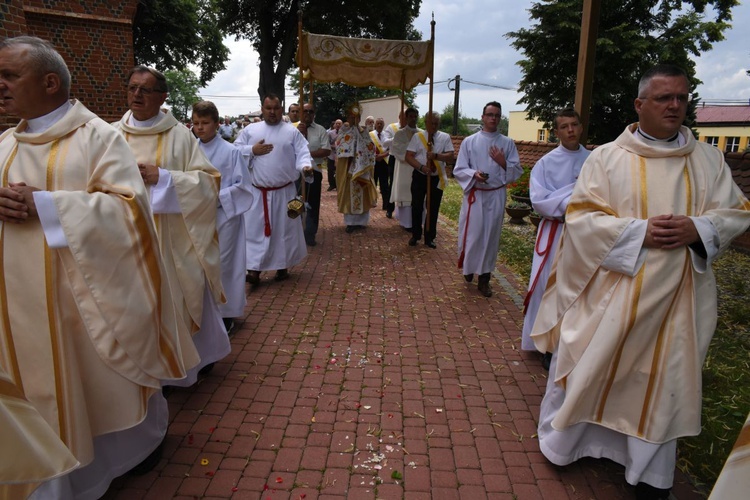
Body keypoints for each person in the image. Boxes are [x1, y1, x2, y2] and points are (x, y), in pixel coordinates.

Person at [531, 64, 750, 500]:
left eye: (682, 98)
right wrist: (636, 233)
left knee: (661, 387)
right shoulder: (608, 158)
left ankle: (649, 476)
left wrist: (699, 230)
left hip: (678, 299)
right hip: (615, 292)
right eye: (663, 97)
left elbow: (736, 213)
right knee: (594, 368)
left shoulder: (709, 159)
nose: (674, 106)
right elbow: (582, 217)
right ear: (639, 104)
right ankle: (572, 445)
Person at [0, 36, 190, 498]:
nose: (0, 85)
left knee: (98, 387)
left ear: (49, 82)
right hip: (13, 304)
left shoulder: (100, 138)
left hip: (84, 301)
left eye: (9, 75)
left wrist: (46, 205)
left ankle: (134, 451)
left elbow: (130, 213)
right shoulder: (4, 144)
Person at [113, 65, 230, 386]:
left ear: (162, 97)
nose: (137, 94)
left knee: (178, 297)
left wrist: (163, 178)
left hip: (172, 238)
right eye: (132, 87)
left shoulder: (178, 135)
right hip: (125, 235)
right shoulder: (109, 135)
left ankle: (192, 364)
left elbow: (209, 182)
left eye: (145, 90)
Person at [520, 108, 589, 368]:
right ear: (556, 132)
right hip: (556, 231)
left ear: (581, 127)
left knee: (577, 288)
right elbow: (540, 201)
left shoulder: (596, 160)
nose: (570, 130)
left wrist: (570, 200)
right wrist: (574, 199)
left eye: (574, 124)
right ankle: (545, 345)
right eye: (564, 126)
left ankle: (570, 343)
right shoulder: (546, 163)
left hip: (584, 234)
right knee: (548, 287)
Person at [234, 94, 313, 283]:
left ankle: (282, 266)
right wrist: (252, 150)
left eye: (276, 108)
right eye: (268, 108)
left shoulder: (291, 132)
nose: (272, 112)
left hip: (284, 192)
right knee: (254, 231)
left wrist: (305, 167)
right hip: (257, 192)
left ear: (281, 108)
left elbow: (302, 153)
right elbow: (234, 150)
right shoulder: (250, 131)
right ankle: (254, 270)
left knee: (283, 231)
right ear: (262, 109)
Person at [192, 101, 253, 333]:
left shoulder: (231, 152)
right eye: (196, 123)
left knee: (224, 265)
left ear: (217, 124)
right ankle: (204, 311)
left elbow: (244, 187)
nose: (200, 128)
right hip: (197, 217)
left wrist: (216, 197)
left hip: (225, 216)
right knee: (199, 265)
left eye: (205, 123)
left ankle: (227, 313)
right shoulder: (190, 150)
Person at [454, 101, 522, 297]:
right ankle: (468, 268)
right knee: (473, 235)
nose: (493, 118)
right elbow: (459, 169)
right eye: (490, 114)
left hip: (496, 195)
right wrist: (473, 174)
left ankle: (484, 278)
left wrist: (503, 162)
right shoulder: (470, 141)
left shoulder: (507, 143)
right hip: (476, 195)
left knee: (490, 237)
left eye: (497, 115)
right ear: (483, 117)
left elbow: (516, 171)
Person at [405, 111, 454, 248]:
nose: (433, 126)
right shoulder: (417, 137)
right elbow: (408, 156)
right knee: (416, 205)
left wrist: (437, 156)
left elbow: (450, 156)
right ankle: (415, 234)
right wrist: (421, 167)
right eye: (431, 123)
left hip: (436, 177)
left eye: (436, 123)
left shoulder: (445, 137)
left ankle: (430, 236)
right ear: (425, 122)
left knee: (433, 208)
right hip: (420, 176)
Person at [335, 105, 377, 233]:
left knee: (362, 193)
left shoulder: (364, 131)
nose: (353, 119)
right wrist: (352, 150)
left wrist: (362, 153)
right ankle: (351, 223)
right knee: (349, 194)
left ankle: (362, 222)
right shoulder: (344, 130)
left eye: (356, 117)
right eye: (351, 117)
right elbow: (340, 145)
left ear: (359, 118)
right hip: (349, 168)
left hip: (362, 169)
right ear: (347, 117)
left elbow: (371, 147)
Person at [301, 103, 332, 247]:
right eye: (305, 111)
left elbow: (326, 150)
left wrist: (306, 154)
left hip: (314, 171)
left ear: (314, 114)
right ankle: (295, 233)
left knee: (312, 203)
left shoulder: (320, 130)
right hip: (295, 173)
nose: (307, 114)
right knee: (295, 203)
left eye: (310, 111)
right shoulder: (293, 129)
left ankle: (310, 233)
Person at [389, 108, 421, 231]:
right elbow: (398, 150)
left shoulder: (422, 134)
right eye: (411, 116)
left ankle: (417, 222)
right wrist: (412, 155)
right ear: (406, 118)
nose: (413, 119)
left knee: (417, 196)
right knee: (406, 195)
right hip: (404, 168)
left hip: (418, 169)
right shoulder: (400, 133)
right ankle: (406, 223)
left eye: (415, 116)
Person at [381, 112, 404, 218]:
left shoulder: (413, 129)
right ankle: (390, 208)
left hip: (407, 160)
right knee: (393, 182)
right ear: (399, 117)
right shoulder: (392, 127)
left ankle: (403, 209)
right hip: (394, 158)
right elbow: (384, 142)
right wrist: (397, 137)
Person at [370, 117, 392, 212]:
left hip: (384, 162)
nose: (379, 125)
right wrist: (375, 156)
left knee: (384, 184)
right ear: (375, 124)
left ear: (384, 125)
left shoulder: (386, 135)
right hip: (373, 161)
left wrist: (382, 156)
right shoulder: (370, 135)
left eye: (381, 123)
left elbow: (390, 149)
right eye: (378, 123)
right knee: (372, 182)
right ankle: (372, 202)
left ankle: (385, 205)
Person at [327, 119, 342, 191]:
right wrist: (333, 146)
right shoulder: (330, 133)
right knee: (330, 170)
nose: (338, 125)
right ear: (334, 125)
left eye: (339, 124)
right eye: (337, 123)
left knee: (339, 171)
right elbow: (327, 143)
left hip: (340, 155)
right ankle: (332, 184)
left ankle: (338, 185)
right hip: (331, 154)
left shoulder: (344, 133)